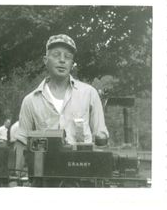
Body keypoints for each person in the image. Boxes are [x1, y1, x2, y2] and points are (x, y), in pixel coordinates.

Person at [16, 34, 109, 170]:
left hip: (82, 172)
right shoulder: (30, 100)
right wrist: (15, 179)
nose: (62, 60)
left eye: (68, 57)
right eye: (56, 55)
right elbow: (21, 142)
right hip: (44, 176)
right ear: (45, 60)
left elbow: (101, 137)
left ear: (72, 63)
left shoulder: (89, 93)